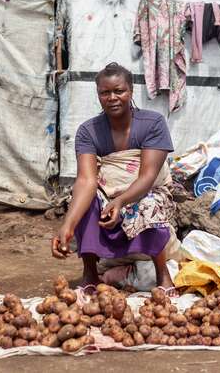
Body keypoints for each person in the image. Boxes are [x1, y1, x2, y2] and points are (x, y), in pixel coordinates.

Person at [51, 62, 178, 295]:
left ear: (131, 91)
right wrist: (67, 226)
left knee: (150, 204)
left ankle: (163, 275)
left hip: (144, 190)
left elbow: (148, 176)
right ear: (98, 95)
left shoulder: (153, 123)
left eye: (119, 91)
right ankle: (89, 273)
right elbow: (86, 181)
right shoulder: (88, 131)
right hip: (107, 192)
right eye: (105, 92)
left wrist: (120, 202)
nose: (112, 97)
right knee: (82, 201)